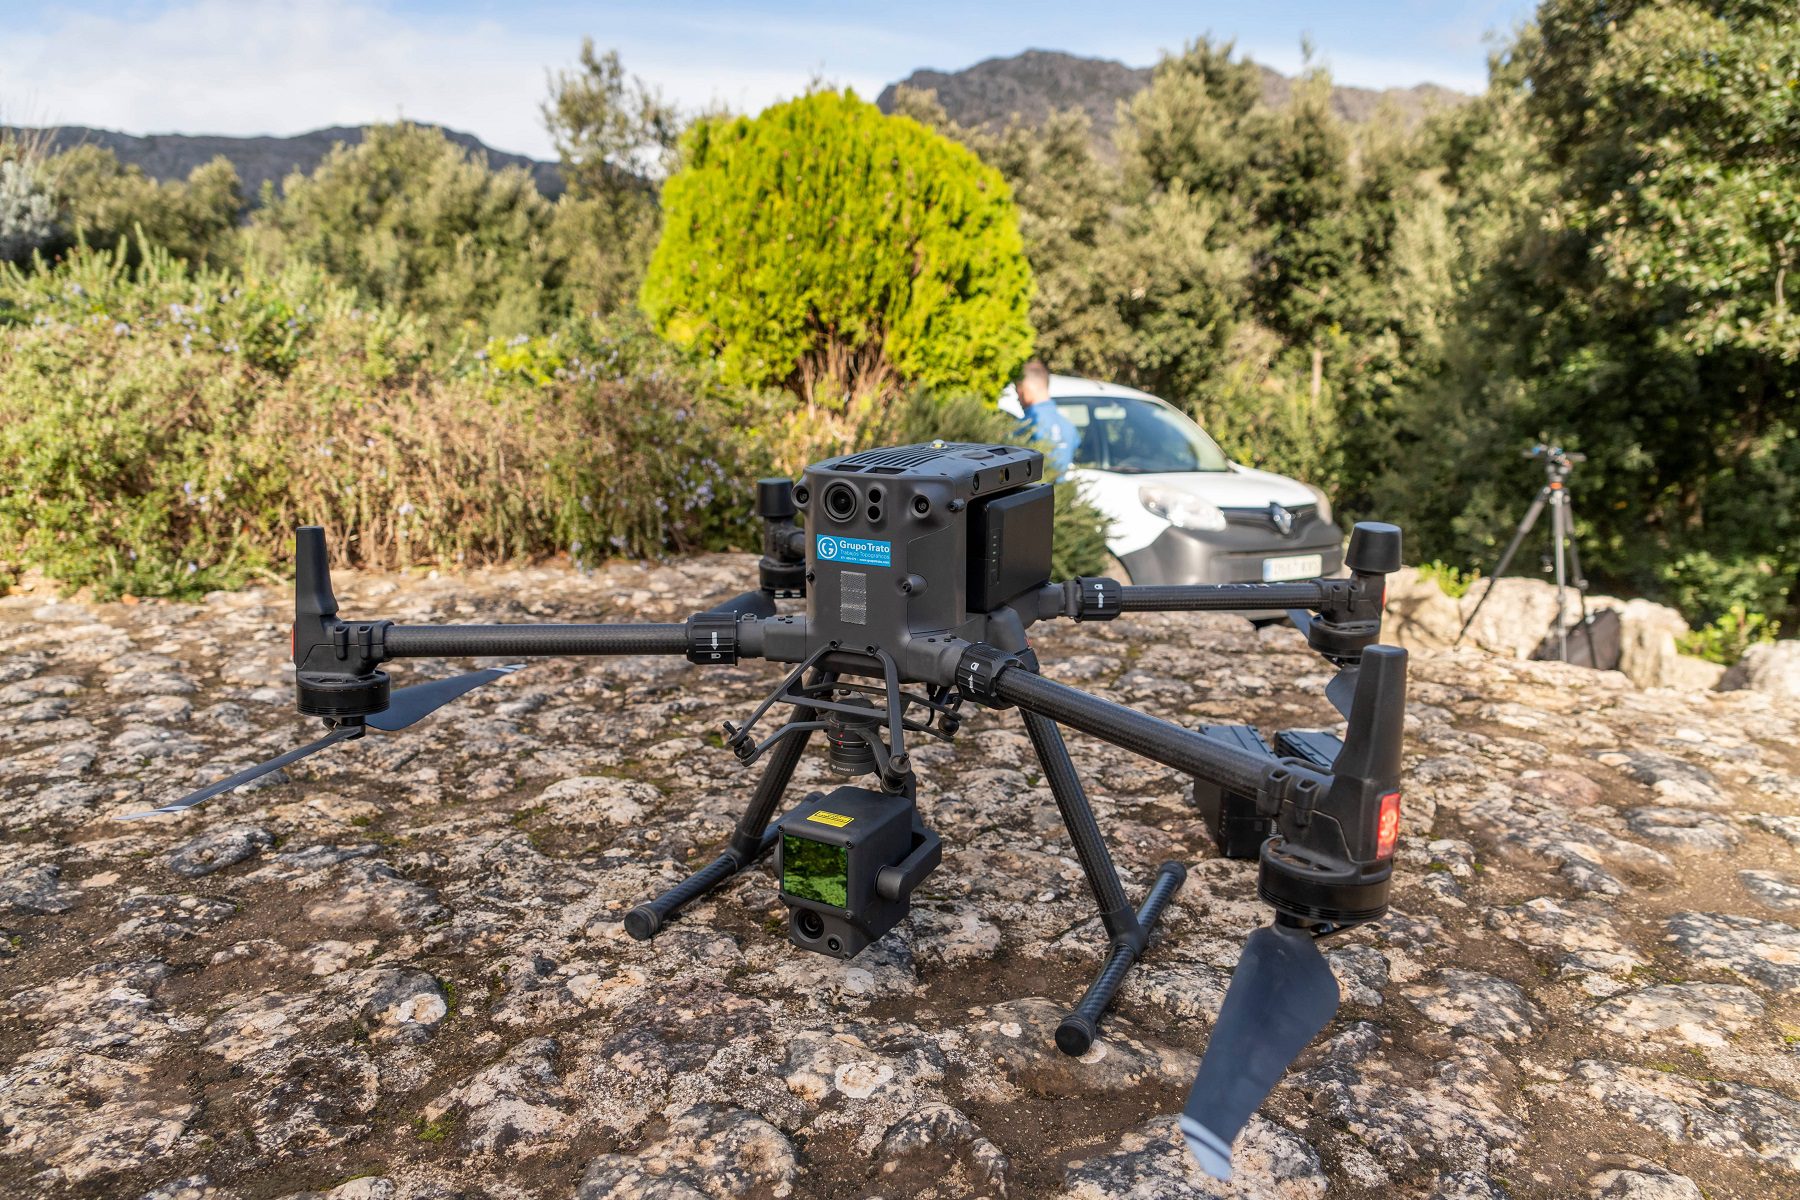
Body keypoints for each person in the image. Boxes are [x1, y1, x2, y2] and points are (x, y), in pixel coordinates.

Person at [1014, 359, 1078, 476]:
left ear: (1025, 388)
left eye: (1017, 390)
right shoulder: (1068, 425)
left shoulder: (1026, 424)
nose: (1018, 398)